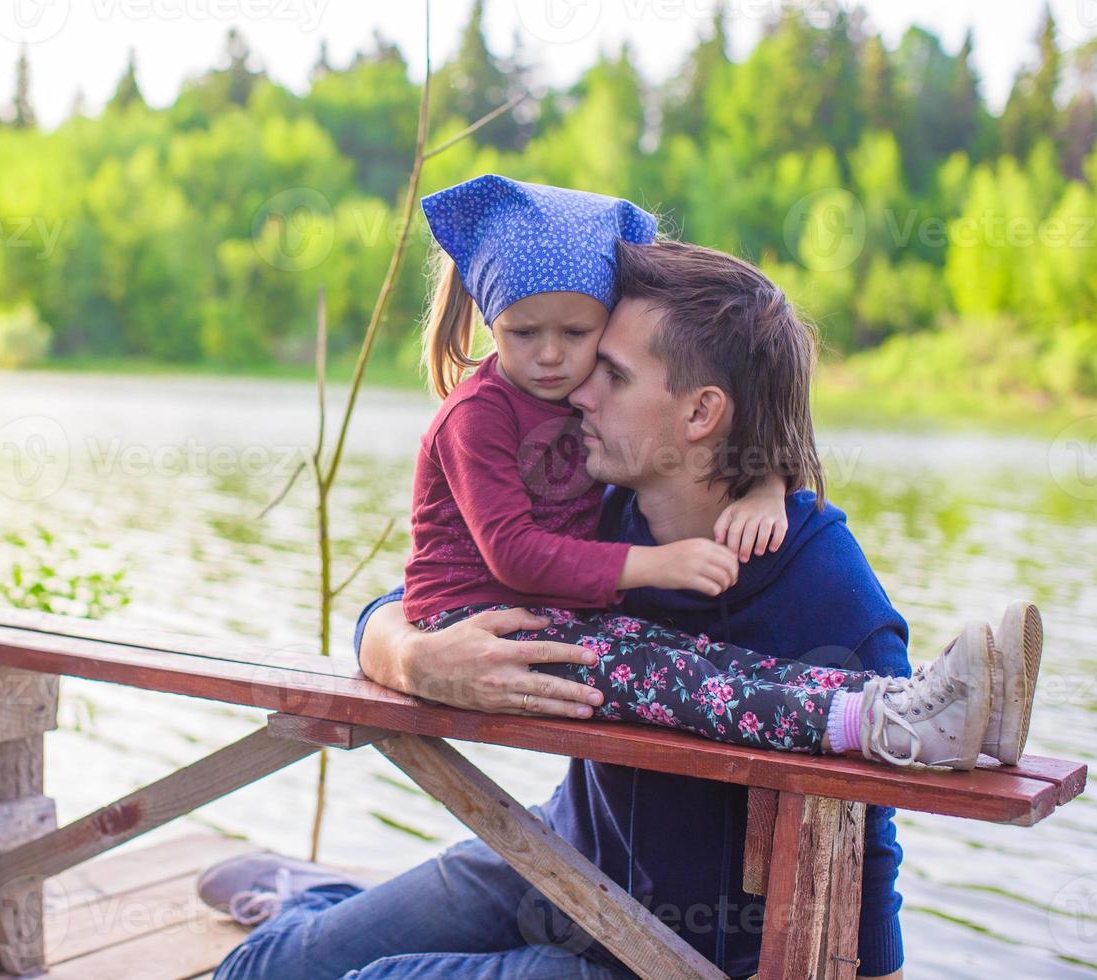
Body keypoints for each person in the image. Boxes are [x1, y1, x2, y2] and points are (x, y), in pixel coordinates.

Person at [198, 179, 1045, 980]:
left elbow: (871, 846)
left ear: (702, 413)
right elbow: (415, 596)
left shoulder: (824, 589)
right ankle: (301, 902)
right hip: (547, 861)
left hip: (654, 952)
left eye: (610, 372)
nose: (573, 390)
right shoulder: (602, 503)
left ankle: (311, 899)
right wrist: (414, 660)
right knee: (266, 970)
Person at [400, 175, 1021, 767]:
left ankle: (936, 712)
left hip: (543, 621)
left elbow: (765, 424)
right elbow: (471, 569)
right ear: (493, 323)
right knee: (678, 678)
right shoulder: (505, 419)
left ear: (701, 411)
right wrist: (407, 659)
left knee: (706, 663)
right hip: (490, 627)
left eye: (599, 360)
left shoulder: (820, 571)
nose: (567, 370)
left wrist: (771, 482)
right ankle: (899, 726)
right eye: (525, 332)